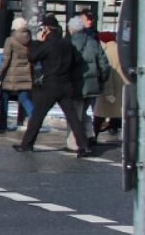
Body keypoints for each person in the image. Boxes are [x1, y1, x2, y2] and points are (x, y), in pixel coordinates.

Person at [13, 15, 93, 156]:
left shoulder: (47, 44)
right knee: (73, 117)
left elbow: (32, 57)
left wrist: (37, 42)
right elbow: (78, 60)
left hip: (51, 84)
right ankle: (84, 146)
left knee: (37, 115)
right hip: (66, 84)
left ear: (46, 29)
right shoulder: (67, 43)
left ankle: (27, 144)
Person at [66, 16, 111, 150]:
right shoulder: (93, 42)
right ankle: (89, 136)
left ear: (71, 29)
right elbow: (104, 65)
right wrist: (101, 80)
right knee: (84, 113)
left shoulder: (68, 43)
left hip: (75, 85)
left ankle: (74, 143)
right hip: (92, 85)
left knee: (74, 116)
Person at [0, 16, 34, 133]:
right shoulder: (29, 39)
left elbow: (5, 59)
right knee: (24, 98)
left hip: (10, 74)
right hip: (25, 73)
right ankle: (36, 118)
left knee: (4, 98)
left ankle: (2, 125)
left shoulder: (10, 40)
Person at [93, 31, 127, 140]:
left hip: (111, 89)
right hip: (122, 87)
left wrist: (109, 93)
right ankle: (121, 134)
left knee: (99, 115)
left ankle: (93, 137)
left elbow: (107, 74)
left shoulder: (107, 52)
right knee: (120, 113)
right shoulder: (121, 49)